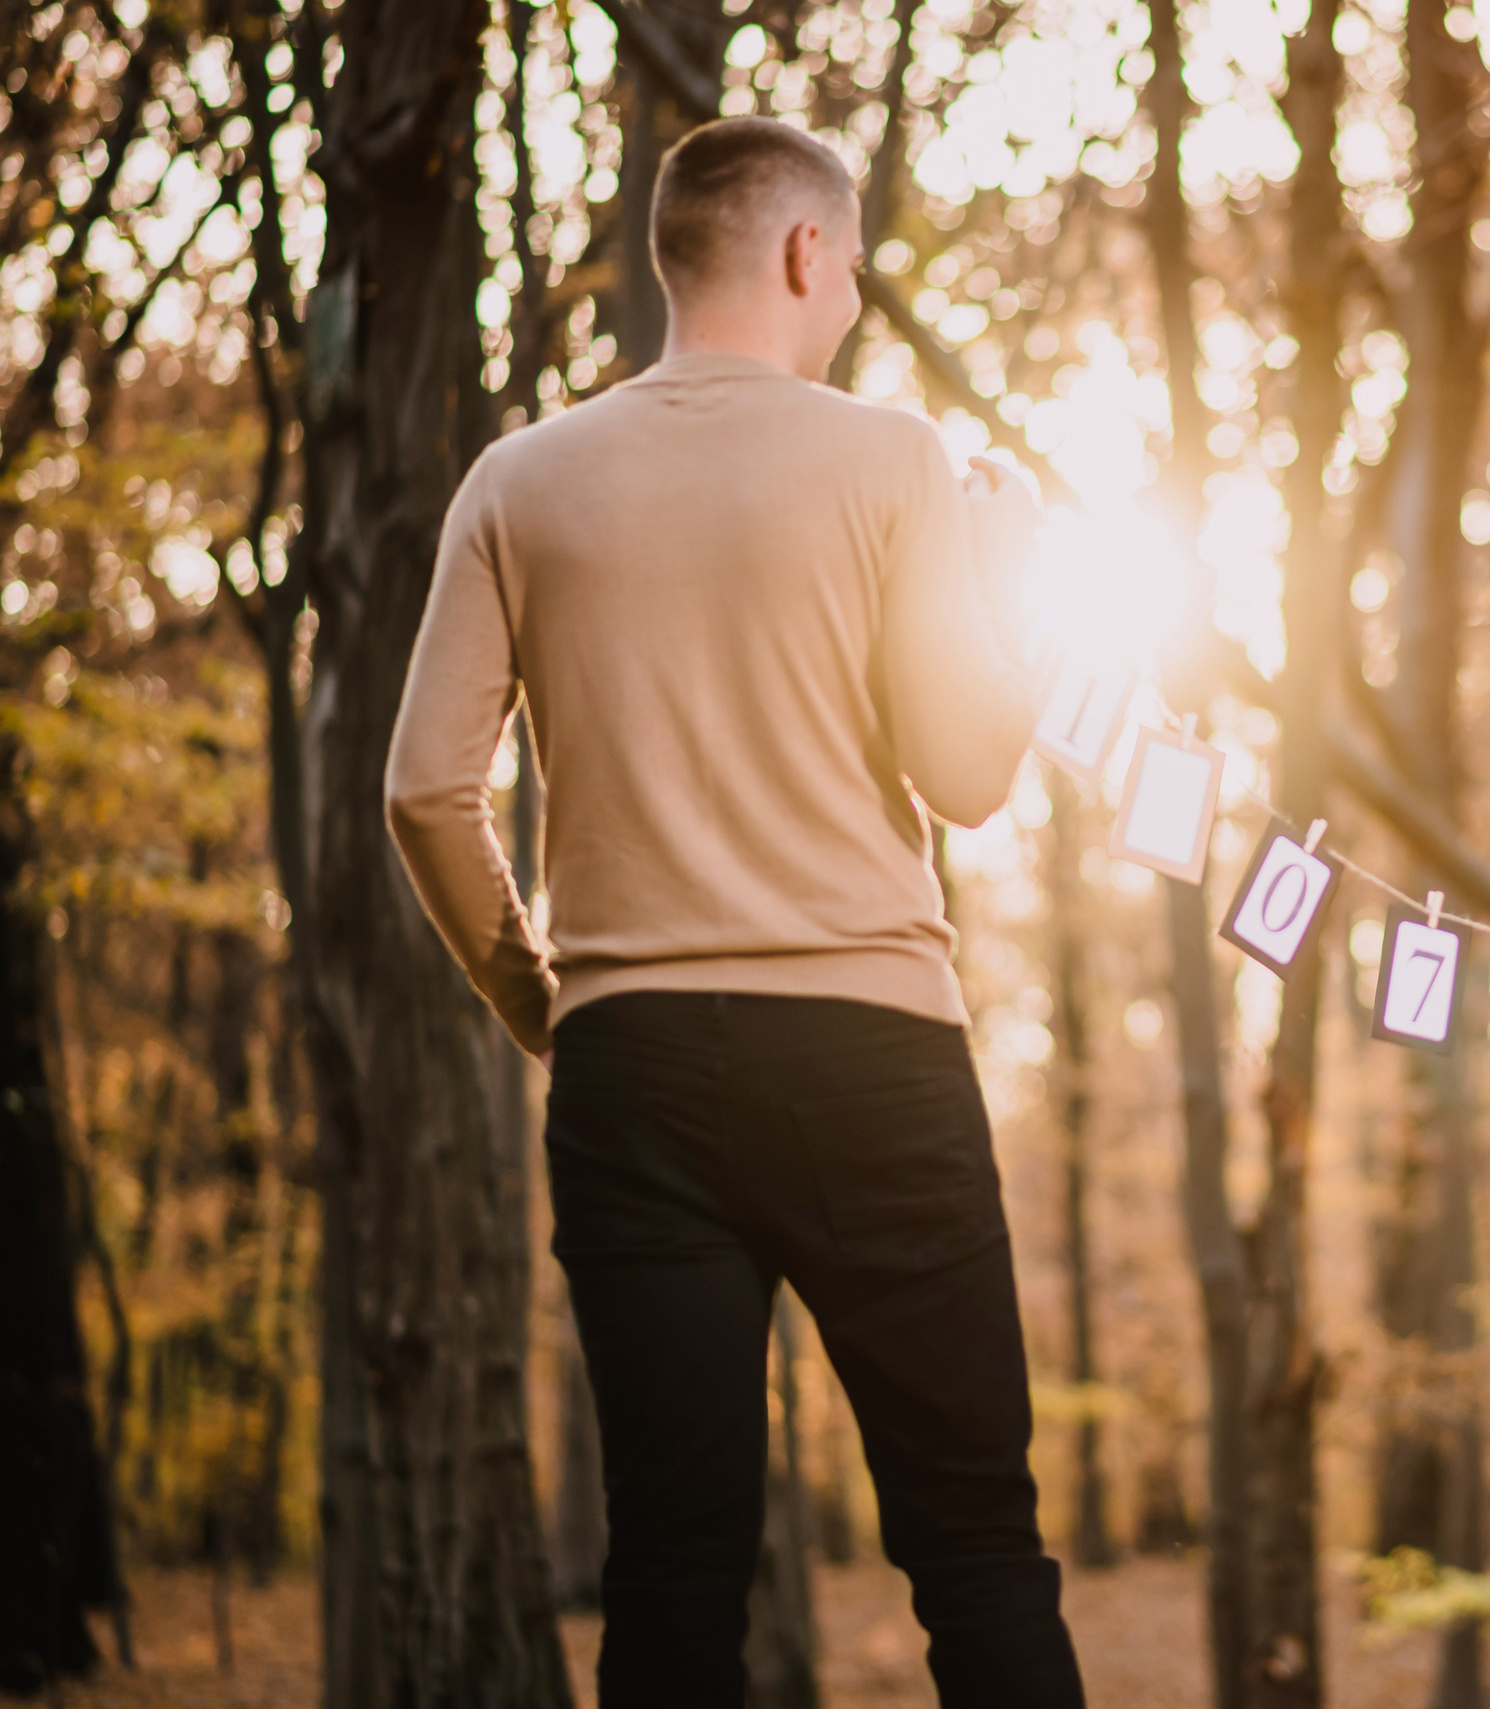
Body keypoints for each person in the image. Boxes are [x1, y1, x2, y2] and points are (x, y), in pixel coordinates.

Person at [384, 116, 1083, 1708]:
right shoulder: (894, 459)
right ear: (801, 252)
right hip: (872, 1059)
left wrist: (553, 1008)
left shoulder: (518, 478)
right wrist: (1015, 578)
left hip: (633, 1071)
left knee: (673, 1580)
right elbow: (970, 776)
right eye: (846, 265)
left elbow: (425, 794)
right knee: (978, 1553)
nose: (845, 303)